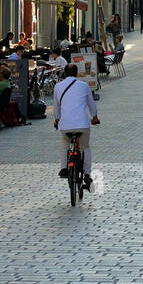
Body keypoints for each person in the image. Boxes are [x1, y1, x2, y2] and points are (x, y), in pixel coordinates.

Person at [53, 63, 100, 191]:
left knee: (64, 142)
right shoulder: (84, 86)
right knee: (85, 147)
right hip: (82, 125)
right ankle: (86, 174)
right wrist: (94, 118)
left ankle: (64, 168)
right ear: (77, 73)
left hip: (65, 125)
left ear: (64, 74)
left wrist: (57, 120)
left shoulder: (58, 86)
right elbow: (91, 105)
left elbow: (56, 109)